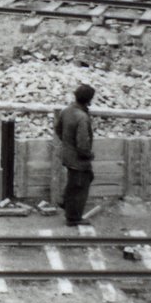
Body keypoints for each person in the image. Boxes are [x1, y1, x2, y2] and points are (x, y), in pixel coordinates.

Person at [54, 85, 97, 227]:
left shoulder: (66, 111)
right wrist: (89, 155)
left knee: (75, 181)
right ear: (89, 100)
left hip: (67, 154)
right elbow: (83, 144)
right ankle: (73, 218)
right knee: (81, 185)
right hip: (78, 159)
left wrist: (67, 143)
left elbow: (58, 129)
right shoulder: (82, 117)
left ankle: (65, 201)